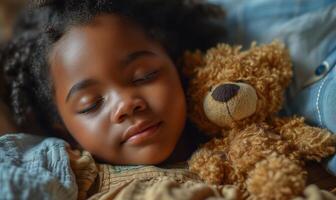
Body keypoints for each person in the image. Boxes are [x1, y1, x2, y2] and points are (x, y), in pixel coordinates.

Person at [1, 0, 240, 199]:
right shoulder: (74, 176)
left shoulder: (238, 140)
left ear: (175, 61)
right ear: (63, 127)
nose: (126, 104)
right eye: (91, 104)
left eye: (144, 75)